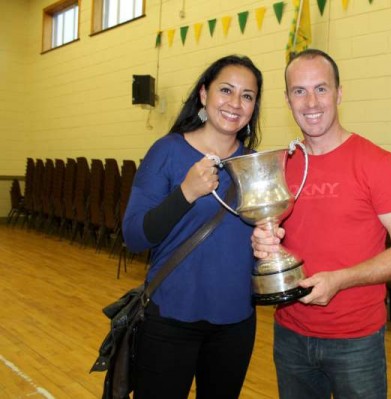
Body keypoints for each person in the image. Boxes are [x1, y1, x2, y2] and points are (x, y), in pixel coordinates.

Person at [251, 49, 391, 399]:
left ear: (339, 93)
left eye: (321, 88)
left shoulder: (378, 164)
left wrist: (341, 280)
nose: (311, 101)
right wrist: (261, 243)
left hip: (356, 341)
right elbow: (275, 237)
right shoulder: (280, 166)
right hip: (290, 334)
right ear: (287, 100)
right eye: (299, 91)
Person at [122, 55, 263, 399]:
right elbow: (134, 236)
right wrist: (185, 192)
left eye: (247, 95)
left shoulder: (254, 165)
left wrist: (268, 244)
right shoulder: (167, 151)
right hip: (170, 319)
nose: (235, 103)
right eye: (226, 90)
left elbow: (251, 249)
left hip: (235, 323)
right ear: (203, 94)